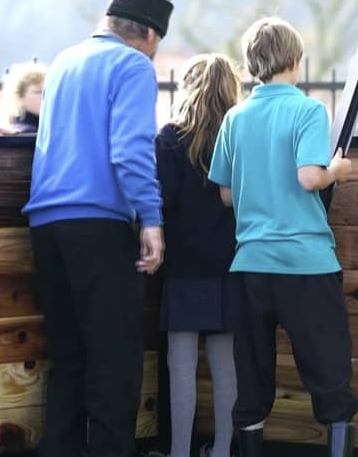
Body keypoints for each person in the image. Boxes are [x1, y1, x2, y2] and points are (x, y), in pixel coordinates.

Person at [23, 0, 172, 457]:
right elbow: (130, 150)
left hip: (46, 223)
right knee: (114, 359)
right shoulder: (133, 65)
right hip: (99, 225)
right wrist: (151, 218)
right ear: (149, 33)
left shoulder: (64, 61)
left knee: (68, 356)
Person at [208, 17, 358, 457]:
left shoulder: (235, 117)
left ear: (253, 63)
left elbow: (225, 194)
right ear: (295, 60)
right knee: (330, 375)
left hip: (250, 265)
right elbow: (311, 177)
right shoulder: (308, 110)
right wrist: (339, 171)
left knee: (252, 377)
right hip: (304, 263)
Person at [156, 54, 241, 457]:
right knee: (226, 365)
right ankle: (223, 450)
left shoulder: (170, 137)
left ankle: (177, 452)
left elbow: (164, 200)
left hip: (183, 263)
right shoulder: (239, 134)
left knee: (180, 364)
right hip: (230, 260)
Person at [0, 63, 46, 133]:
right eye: (38, 92)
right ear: (19, 97)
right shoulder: (24, 131)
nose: (45, 96)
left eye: (48, 92)